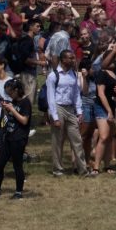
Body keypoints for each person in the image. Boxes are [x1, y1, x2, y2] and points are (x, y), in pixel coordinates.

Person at [46, 49, 87, 177]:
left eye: (73, 58)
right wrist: (55, 117)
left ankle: (83, 169)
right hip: (58, 107)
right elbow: (50, 98)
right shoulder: (53, 76)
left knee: (77, 139)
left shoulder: (73, 74)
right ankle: (58, 168)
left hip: (70, 109)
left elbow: (76, 94)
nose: (73, 60)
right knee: (57, 140)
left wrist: (79, 111)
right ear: (63, 59)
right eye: (70, 58)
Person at [0, 79, 32, 199]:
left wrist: (12, 110)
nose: (9, 95)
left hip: (19, 139)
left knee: (17, 165)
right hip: (8, 137)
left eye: (10, 92)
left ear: (17, 90)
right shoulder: (13, 101)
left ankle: (19, 192)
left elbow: (24, 121)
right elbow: (10, 118)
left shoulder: (26, 103)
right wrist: (6, 108)